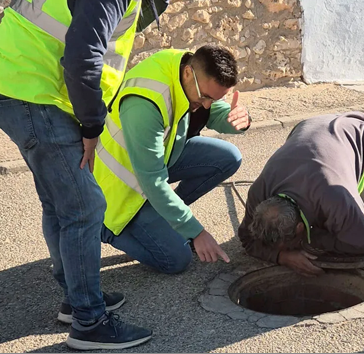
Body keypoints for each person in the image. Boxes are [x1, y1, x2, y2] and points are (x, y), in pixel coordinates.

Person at [0, 0, 194, 350]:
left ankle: (75, 300)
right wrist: (92, 127)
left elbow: (131, 16)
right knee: (83, 206)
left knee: (61, 202)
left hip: (16, 84)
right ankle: (89, 323)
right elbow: (83, 57)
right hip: (34, 93)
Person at [96, 45, 249, 274]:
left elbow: (214, 113)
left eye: (215, 98)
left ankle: (165, 217)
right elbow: (153, 181)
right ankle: (105, 228)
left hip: (157, 162)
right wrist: (196, 231)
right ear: (188, 73)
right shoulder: (144, 104)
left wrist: (237, 119)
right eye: (206, 97)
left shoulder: (187, 69)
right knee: (176, 260)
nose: (207, 104)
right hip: (118, 194)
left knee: (228, 157)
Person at [238, 112, 364, 276]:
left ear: (300, 228)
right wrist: (282, 256)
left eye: (287, 246)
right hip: (305, 128)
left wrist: (314, 241)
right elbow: (247, 238)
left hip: (359, 137)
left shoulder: (335, 196)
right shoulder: (259, 192)